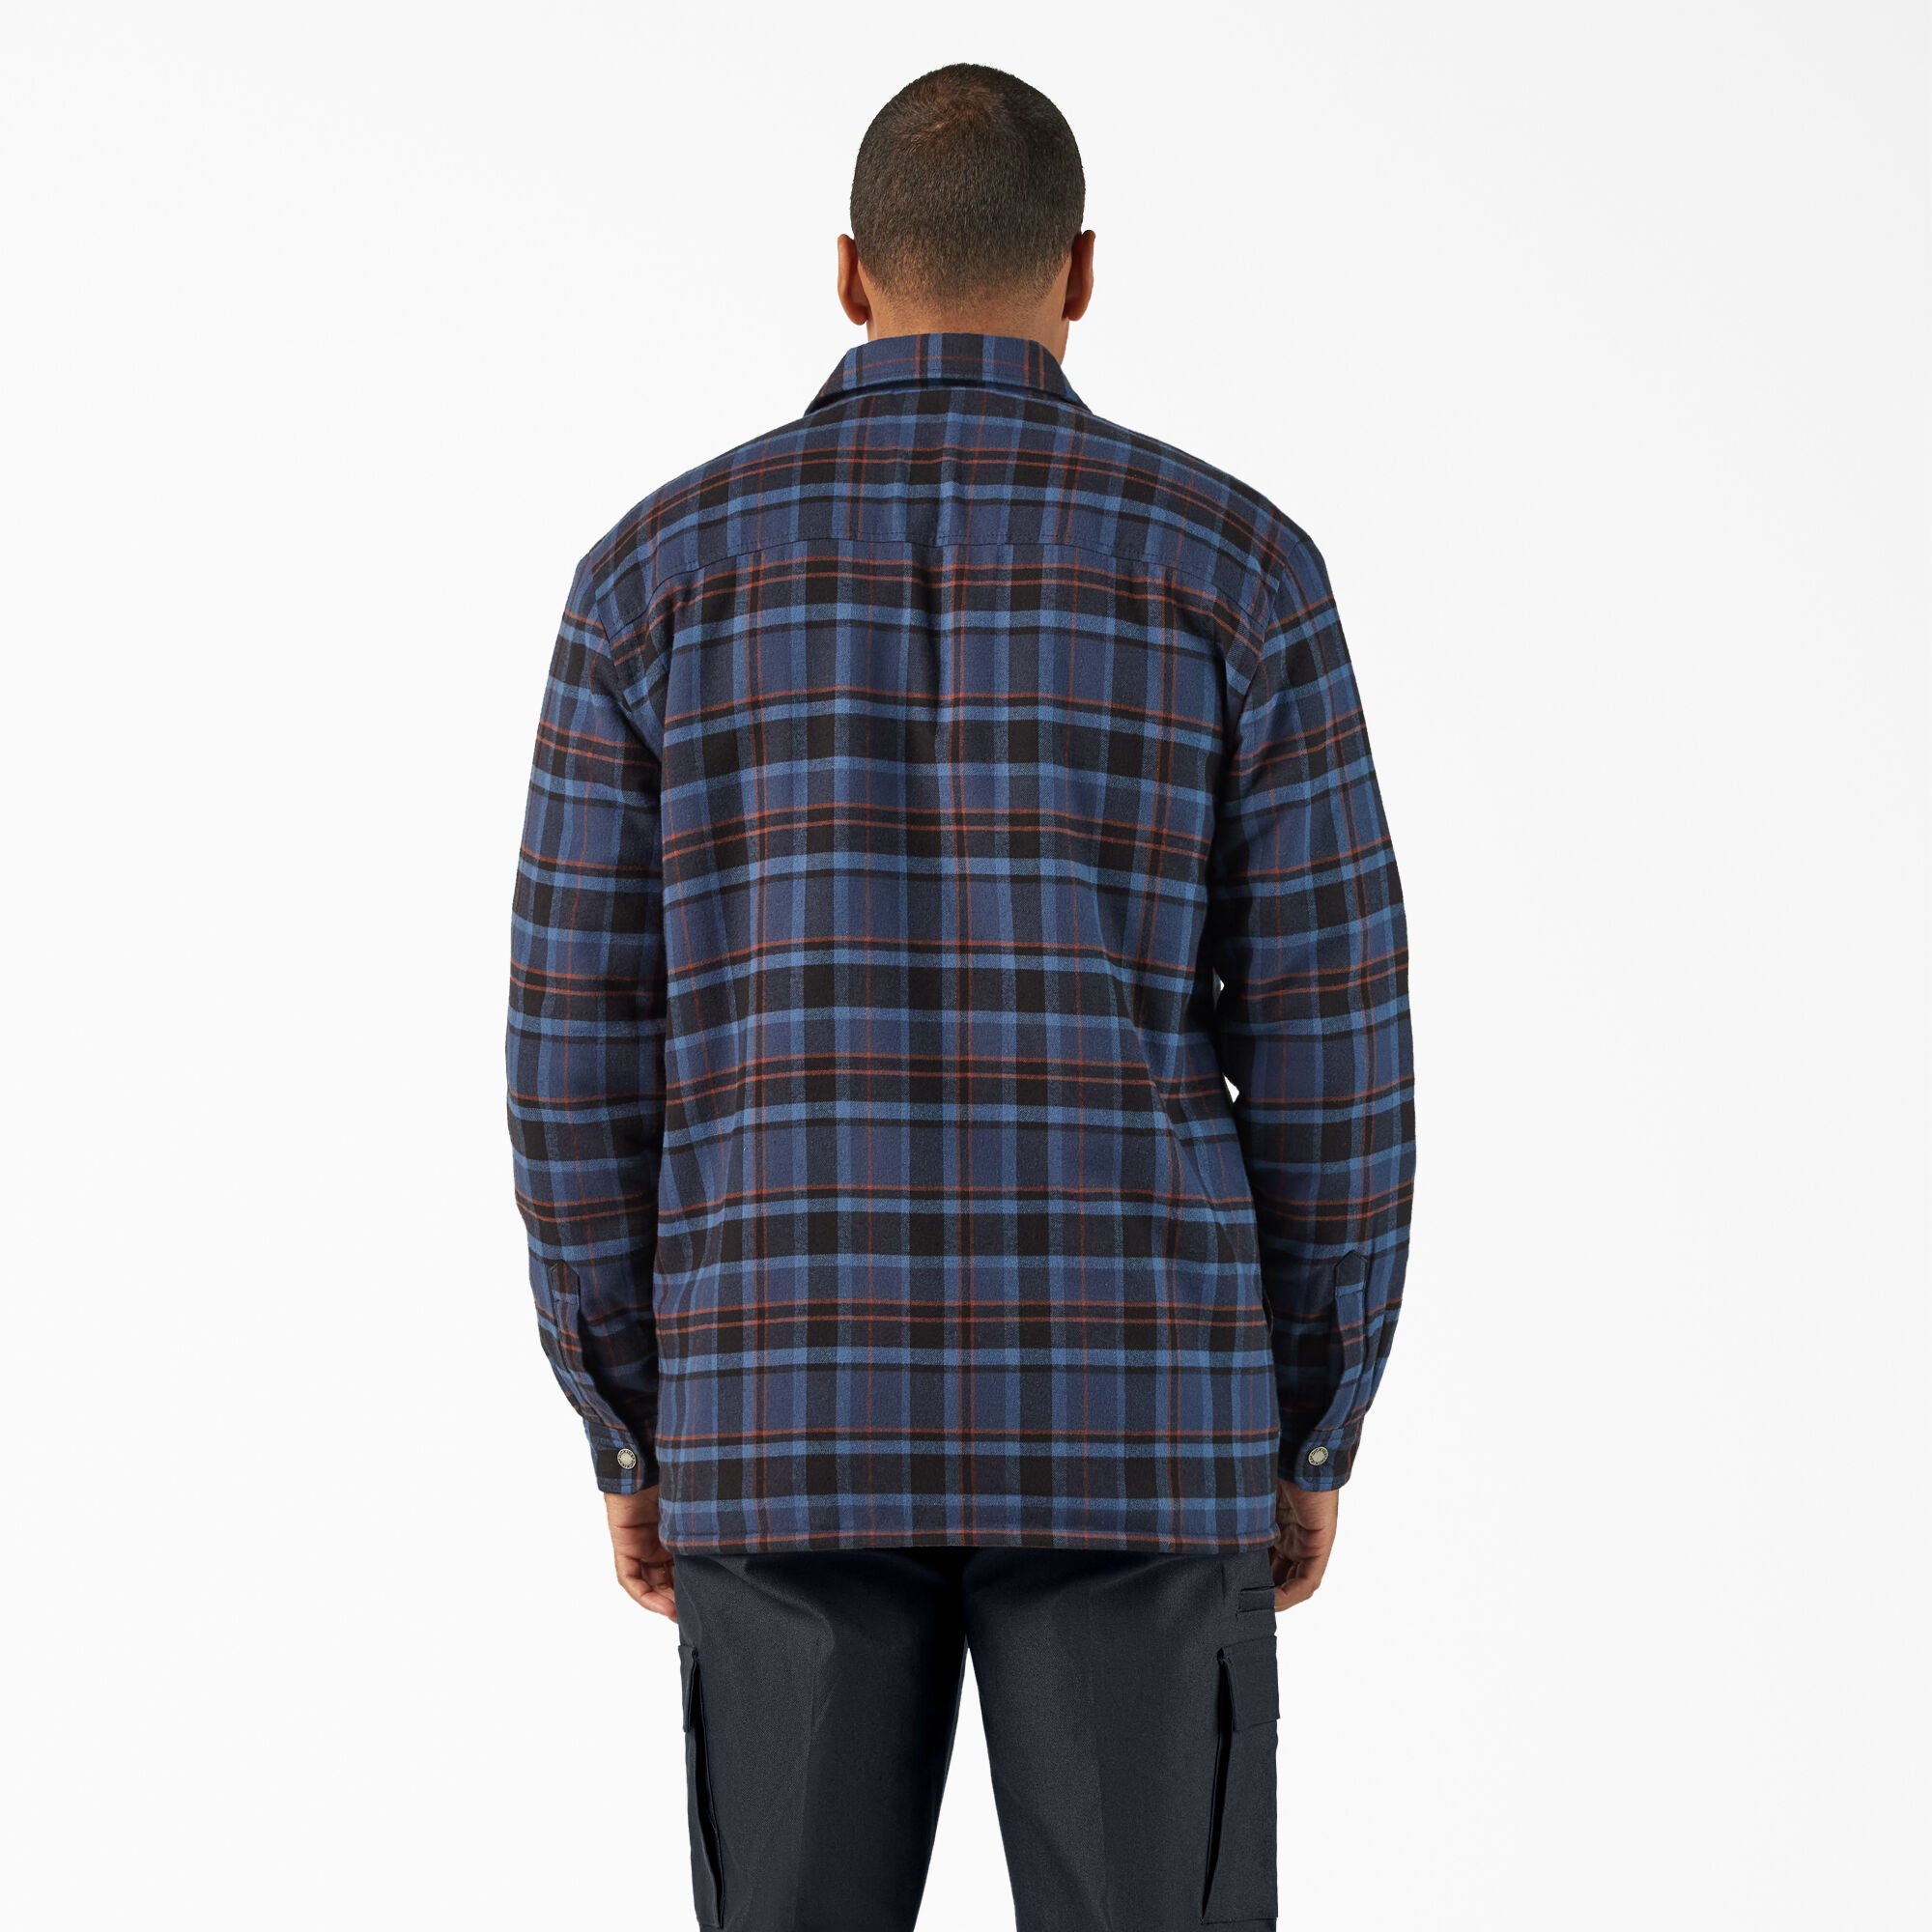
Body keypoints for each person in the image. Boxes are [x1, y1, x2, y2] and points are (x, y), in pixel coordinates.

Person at [506, 61, 1414, 1932]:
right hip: (1138, 1422)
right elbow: (1330, 1031)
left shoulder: (653, 578)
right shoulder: (1233, 567)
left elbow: (575, 1044)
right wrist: (1310, 1415)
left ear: (848, 272)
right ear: (1078, 271)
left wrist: (630, 1417)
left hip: (780, 1406)